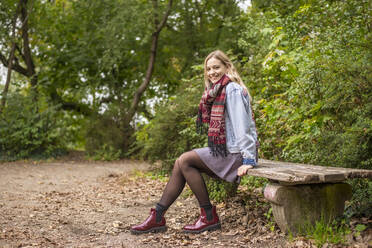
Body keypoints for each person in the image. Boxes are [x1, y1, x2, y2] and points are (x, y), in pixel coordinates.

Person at [130, 50, 258, 235]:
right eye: (209, 69)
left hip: (238, 153)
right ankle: (159, 216)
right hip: (229, 150)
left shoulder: (232, 90)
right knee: (182, 162)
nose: (212, 72)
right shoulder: (218, 91)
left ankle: (204, 216)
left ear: (227, 67)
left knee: (185, 160)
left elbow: (243, 127)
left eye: (216, 67)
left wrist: (248, 160)